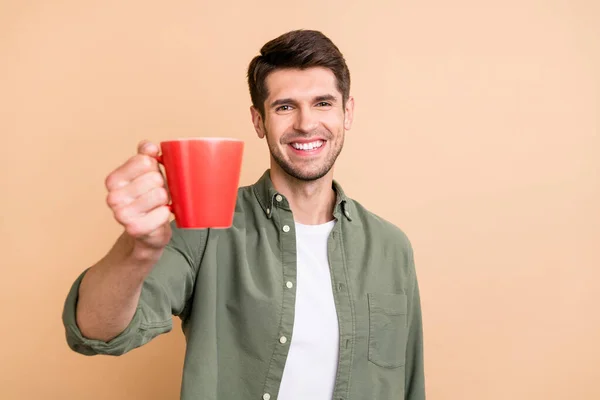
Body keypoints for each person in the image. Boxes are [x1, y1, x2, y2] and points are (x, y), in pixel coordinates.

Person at [62, 29, 426, 400]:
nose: (305, 123)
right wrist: (137, 247)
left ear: (347, 112)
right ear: (258, 121)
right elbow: (94, 331)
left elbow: (410, 384)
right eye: (285, 106)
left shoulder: (391, 247)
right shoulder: (206, 229)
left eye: (323, 103)